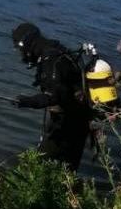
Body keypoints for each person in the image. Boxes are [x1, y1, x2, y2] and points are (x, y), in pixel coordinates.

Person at [9, 22, 94, 171]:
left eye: (20, 48)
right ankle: (68, 193)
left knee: (38, 167)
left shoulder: (51, 60)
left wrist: (27, 101)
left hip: (68, 124)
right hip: (81, 120)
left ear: (27, 44)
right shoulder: (58, 50)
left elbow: (55, 96)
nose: (21, 54)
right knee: (67, 169)